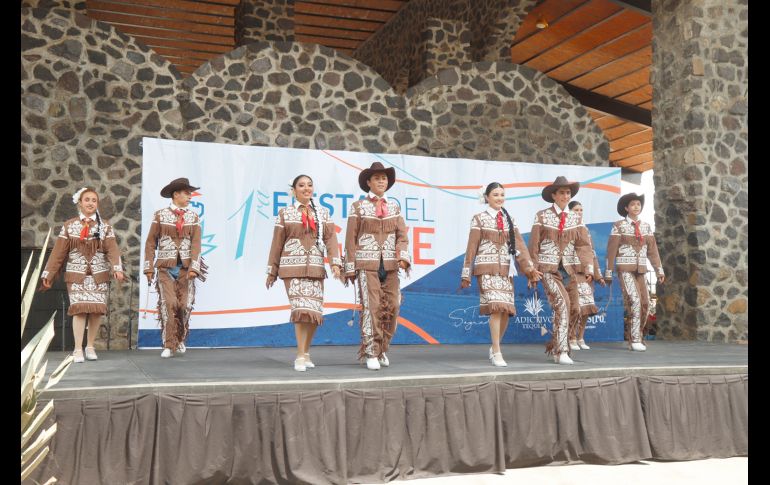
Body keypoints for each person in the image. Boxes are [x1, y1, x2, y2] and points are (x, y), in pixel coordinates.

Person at [265, 175, 342, 371]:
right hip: (291, 267)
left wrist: (335, 263)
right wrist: (271, 271)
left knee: (314, 313)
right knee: (300, 311)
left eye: (309, 185)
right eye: (301, 185)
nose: (306, 188)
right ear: (294, 190)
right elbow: (276, 243)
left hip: (316, 267)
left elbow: (331, 239)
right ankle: (299, 355)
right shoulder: (285, 213)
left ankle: (306, 352)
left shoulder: (323, 213)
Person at [461, 182, 541, 366]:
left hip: (506, 269)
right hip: (486, 269)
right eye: (495, 194)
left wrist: (529, 269)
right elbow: (471, 247)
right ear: (487, 197)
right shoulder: (478, 219)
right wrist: (466, 273)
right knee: (496, 307)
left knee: (506, 311)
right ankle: (496, 351)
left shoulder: (510, 219)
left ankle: (495, 346)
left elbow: (520, 246)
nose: (499, 198)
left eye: (502, 195)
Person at [41, 187, 125, 363]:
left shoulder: (105, 226)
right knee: (79, 310)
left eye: (94, 200)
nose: (90, 203)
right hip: (76, 275)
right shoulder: (69, 226)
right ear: (80, 203)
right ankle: (78, 349)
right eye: (87, 199)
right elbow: (58, 253)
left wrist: (117, 268)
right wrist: (48, 274)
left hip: (99, 275)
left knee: (95, 311)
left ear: (97, 204)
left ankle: (90, 346)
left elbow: (112, 249)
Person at [344, 162, 411, 370]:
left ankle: (382, 348)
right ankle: (371, 351)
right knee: (372, 307)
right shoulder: (358, 207)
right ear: (368, 182)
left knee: (394, 306)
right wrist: (350, 267)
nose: (381, 181)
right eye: (377, 178)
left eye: (384, 178)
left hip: (390, 264)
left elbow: (402, 236)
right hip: (366, 263)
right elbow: (350, 238)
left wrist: (403, 256)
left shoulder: (394, 207)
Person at [528, 176, 595, 365]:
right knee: (562, 304)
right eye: (562, 192)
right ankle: (561, 350)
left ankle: (559, 346)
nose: (566, 196)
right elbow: (534, 244)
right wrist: (532, 270)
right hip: (548, 269)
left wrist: (588, 266)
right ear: (554, 195)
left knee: (575, 308)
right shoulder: (542, 215)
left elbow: (583, 245)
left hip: (570, 269)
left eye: (568, 193)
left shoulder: (576, 218)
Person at [143, 178, 205, 358]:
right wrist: (148, 268)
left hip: (186, 269)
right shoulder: (160, 215)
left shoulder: (193, 217)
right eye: (187, 193)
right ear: (176, 194)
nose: (190, 196)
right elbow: (150, 243)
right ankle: (168, 344)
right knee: (169, 304)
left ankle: (180, 339)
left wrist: (194, 267)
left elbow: (196, 244)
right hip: (165, 268)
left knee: (185, 305)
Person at [605, 193, 664, 351]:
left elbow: (653, 251)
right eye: (633, 204)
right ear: (626, 208)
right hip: (625, 269)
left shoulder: (646, 226)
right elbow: (611, 251)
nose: (636, 207)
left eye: (638, 204)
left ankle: (637, 335)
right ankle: (635, 339)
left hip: (641, 270)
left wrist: (659, 270)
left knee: (646, 303)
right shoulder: (619, 225)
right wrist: (609, 272)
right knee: (635, 301)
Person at [567, 200, 606, 350]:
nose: (579, 212)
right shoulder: (566, 228)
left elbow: (592, 254)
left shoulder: (586, 230)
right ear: (570, 212)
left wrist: (598, 275)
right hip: (572, 272)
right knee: (575, 307)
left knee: (587, 307)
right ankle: (571, 337)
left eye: (581, 210)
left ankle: (581, 337)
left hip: (587, 273)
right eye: (576, 210)